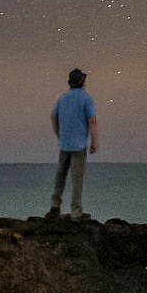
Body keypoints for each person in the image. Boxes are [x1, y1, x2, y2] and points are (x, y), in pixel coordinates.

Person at [48, 66, 98, 216]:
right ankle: (76, 212)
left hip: (64, 144)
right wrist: (94, 141)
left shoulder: (62, 98)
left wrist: (59, 133)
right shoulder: (86, 99)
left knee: (60, 174)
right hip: (79, 146)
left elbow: (53, 117)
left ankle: (54, 206)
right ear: (82, 82)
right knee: (77, 178)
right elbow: (92, 121)